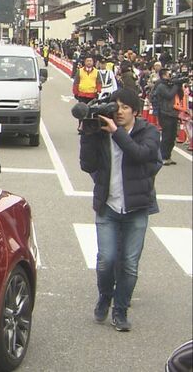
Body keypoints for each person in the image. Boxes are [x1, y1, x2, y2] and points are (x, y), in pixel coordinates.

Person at [79, 88, 161, 332]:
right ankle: (105, 295)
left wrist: (117, 133)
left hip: (136, 208)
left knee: (129, 264)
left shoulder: (148, 132)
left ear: (135, 110)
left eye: (125, 107)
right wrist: (87, 134)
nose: (120, 112)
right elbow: (87, 165)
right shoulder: (102, 132)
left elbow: (141, 154)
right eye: (116, 107)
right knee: (106, 260)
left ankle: (120, 310)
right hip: (108, 206)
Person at [152, 68, 182, 165]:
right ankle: (162, 157)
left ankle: (168, 156)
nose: (171, 76)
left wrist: (179, 84)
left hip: (173, 113)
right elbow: (169, 95)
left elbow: (180, 96)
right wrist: (176, 85)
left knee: (172, 136)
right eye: (169, 74)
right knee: (166, 136)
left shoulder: (171, 85)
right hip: (164, 113)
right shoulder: (160, 86)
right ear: (164, 75)